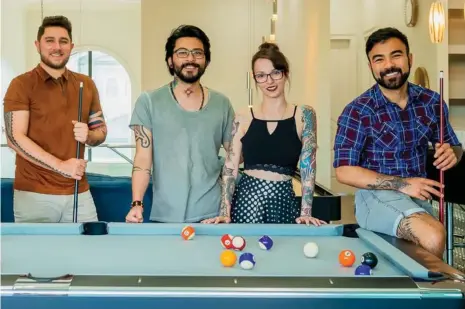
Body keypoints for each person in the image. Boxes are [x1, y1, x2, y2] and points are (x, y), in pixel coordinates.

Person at [333, 27, 463, 258]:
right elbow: (344, 171)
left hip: (419, 196)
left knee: (423, 247)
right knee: (433, 235)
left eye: (396, 55)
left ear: (409, 58)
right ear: (371, 66)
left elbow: (454, 147)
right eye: (379, 59)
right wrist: (403, 184)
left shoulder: (431, 101)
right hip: (374, 198)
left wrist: (452, 152)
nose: (389, 65)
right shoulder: (357, 110)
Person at [203, 42, 326, 225]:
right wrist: (224, 212)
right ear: (255, 79)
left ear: (285, 74)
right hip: (247, 201)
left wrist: (306, 212)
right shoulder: (243, 116)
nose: (269, 81)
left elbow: (308, 166)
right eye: (261, 76)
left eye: (275, 72)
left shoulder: (305, 114)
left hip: (284, 200)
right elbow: (231, 166)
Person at [125, 25, 235, 223]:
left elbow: (235, 157)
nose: (190, 59)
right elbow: (142, 159)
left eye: (197, 53)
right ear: (170, 60)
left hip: (212, 215)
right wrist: (137, 203)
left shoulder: (222, 104)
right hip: (166, 214)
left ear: (207, 61)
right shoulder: (149, 102)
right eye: (182, 53)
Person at [3, 16, 107, 223]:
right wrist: (61, 165)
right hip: (34, 195)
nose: (56, 47)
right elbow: (14, 139)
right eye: (49, 40)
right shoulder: (21, 84)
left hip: (79, 191)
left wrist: (89, 135)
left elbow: (101, 131)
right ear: (37, 45)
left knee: (90, 253)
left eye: (63, 41)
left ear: (71, 46)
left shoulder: (86, 84)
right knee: (38, 256)